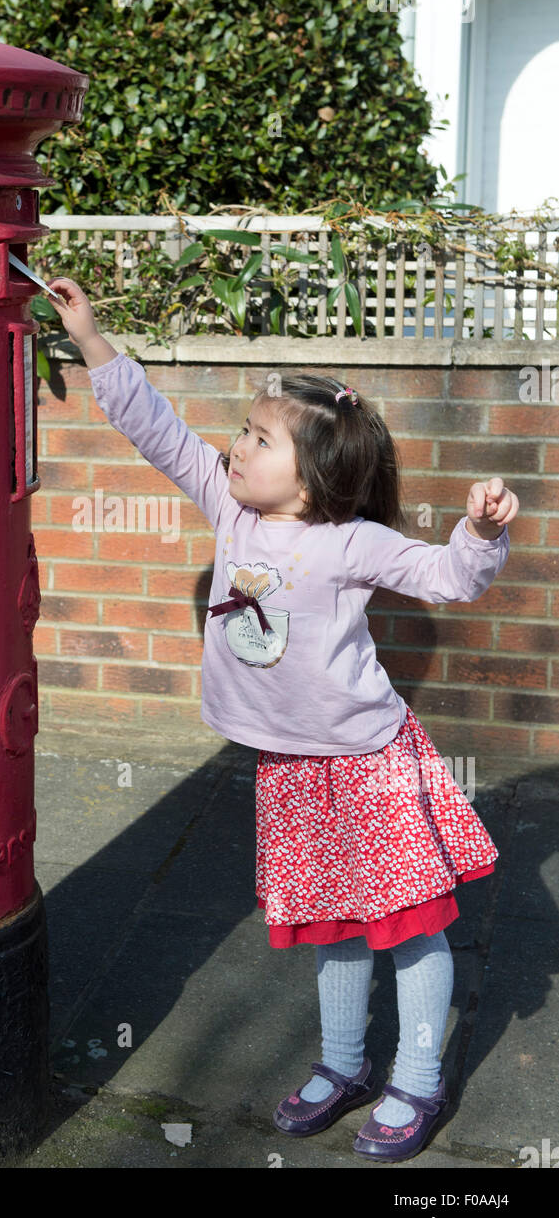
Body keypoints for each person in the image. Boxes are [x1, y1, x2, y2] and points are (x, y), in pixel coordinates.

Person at [44, 275, 519, 1163]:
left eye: (259, 439)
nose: (235, 446)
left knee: (411, 926)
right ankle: (343, 1065)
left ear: (314, 475)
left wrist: (480, 531)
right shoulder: (227, 506)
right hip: (293, 766)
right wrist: (93, 338)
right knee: (330, 923)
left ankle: (416, 1080)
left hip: (369, 762)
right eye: (243, 430)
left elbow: (449, 577)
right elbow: (154, 428)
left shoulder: (348, 543)